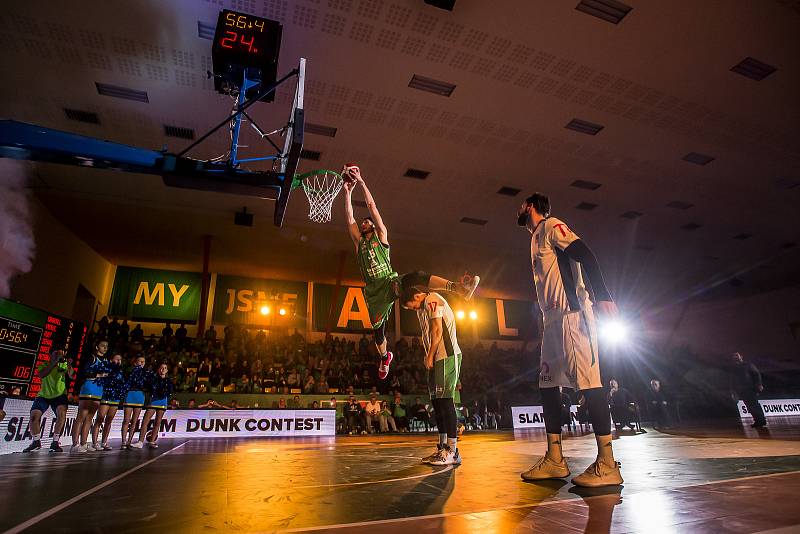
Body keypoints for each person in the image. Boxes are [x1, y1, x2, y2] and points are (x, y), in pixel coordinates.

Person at [516, 192, 623, 487]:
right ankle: (554, 459)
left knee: (590, 384)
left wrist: (603, 296)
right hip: (552, 321)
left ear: (531, 206)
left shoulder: (552, 225)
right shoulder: (535, 236)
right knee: (548, 386)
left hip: (573, 317)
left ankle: (608, 463)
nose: (519, 210)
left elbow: (585, 253)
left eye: (521, 205)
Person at [342, 164, 480, 380]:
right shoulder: (358, 242)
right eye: (364, 221)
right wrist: (347, 192)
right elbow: (349, 218)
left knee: (417, 275)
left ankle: (458, 288)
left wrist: (361, 183)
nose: (365, 220)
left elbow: (372, 206)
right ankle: (385, 357)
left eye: (367, 220)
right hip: (374, 292)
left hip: (389, 281)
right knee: (378, 331)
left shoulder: (382, 236)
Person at [401, 286, 463, 466]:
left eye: (412, 305)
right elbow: (428, 334)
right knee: (437, 403)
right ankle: (442, 448)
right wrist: (428, 353)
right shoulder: (423, 309)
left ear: (417, 295)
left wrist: (429, 355)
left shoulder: (431, 299)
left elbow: (437, 331)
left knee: (445, 401)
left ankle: (453, 451)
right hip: (436, 357)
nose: (413, 309)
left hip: (446, 356)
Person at [23, 350, 75, 453]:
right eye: (56, 353)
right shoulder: (44, 365)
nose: (59, 355)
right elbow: (42, 375)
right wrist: (53, 363)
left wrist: (68, 364)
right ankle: (36, 442)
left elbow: (71, 376)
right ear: (50, 355)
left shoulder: (64, 365)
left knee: (61, 414)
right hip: (43, 395)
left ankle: (55, 443)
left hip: (60, 395)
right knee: (34, 416)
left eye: (61, 353)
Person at [72, 339, 110, 453]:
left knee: (89, 418)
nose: (105, 348)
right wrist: (99, 374)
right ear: (97, 347)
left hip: (98, 390)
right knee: (81, 416)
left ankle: (84, 443)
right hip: (88, 387)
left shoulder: (106, 361)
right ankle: (75, 444)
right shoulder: (92, 357)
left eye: (106, 346)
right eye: (102, 345)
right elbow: (83, 372)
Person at [92, 352, 125, 451]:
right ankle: (94, 442)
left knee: (109, 420)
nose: (118, 361)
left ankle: (104, 442)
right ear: (111, 360)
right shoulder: (106, 368)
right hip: (106, 395)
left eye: (120, 360)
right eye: (116, 359)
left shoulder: (120, 372)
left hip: (115, 397)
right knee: (100, 418)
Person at [138, 362, 174, 448]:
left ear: (167, 370)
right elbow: (149, 388)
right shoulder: (153, 379)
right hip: (153, 401)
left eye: (165, 368)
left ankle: (152, 441)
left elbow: (169, 392)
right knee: (145, 421)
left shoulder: (168, 381)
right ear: (158, 369)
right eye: (161, 367)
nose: (163, 369)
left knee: (157, 423)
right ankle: (140, 441)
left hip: (162, 402)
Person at [730, 352, 766, 428]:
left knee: (755, 405)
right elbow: (732, 380)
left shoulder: (748, 365)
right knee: (749, 407)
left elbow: (756, 374)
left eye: (737, 355)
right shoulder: (733, 368)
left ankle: (762, 420)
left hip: (750, 389)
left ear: (741, 356)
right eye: (734, 356)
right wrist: (733, 391)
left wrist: (759, 384)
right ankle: (757, 421)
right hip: (741, 390)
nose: (735, 356)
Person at [121, 355, 149, 449]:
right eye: (140, 361)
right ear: (135, 362)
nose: (142, 363)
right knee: (126, 420)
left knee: (134, 421)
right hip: (130, 394)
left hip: (140, 396)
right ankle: (123, 441)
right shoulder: (130, 371)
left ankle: (129, 440)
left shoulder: (146, 373)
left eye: (143, 361)